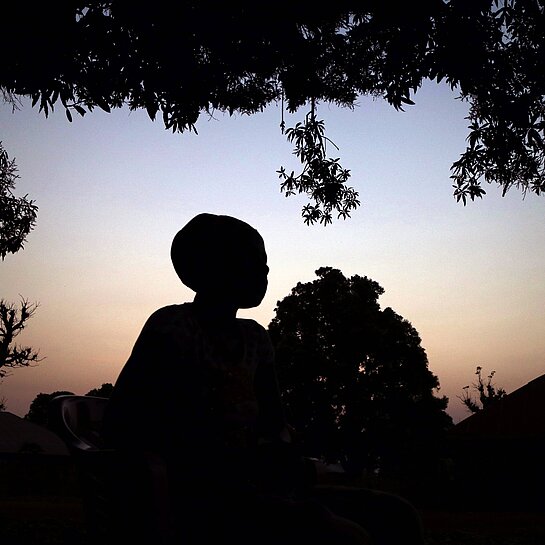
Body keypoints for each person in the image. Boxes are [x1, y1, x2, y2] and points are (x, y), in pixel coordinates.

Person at [103, 213, 371, 544]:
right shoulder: (172, 327)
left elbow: (275, 423)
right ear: (215, 265)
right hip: (199, 499)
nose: (266, 270)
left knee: (389, 514)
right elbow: (124, 421)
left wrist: (280, 452)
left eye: (265, 261)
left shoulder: (256, 339)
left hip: (253, 485)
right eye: (254, 260)